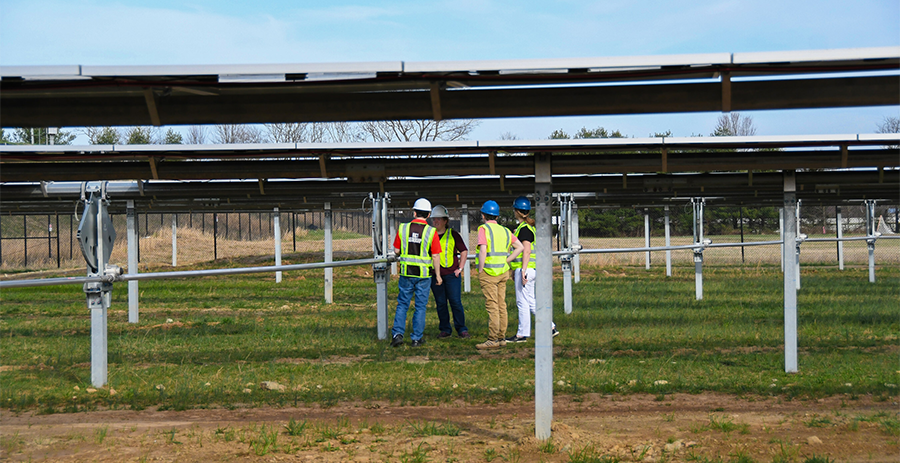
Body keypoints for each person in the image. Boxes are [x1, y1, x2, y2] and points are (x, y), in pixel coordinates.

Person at [391, 198, 442, 348]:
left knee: (402, 305)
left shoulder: (403, 228)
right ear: (428, 214)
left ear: (414, 212)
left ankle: (397, 335)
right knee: (420, 307)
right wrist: (438, 275)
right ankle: (416, 339)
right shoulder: (431, 232)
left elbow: (396, 251)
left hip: (406, 273)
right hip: (424, 276)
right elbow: (436, 255)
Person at [506, 196, 558, 343]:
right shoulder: (527, 228)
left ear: (516, 211)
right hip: (531, 269)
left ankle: (522, 334)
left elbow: (526, 251)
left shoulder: (524, 230)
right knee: (530, 301)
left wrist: (522, 271)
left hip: (525, 270)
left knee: (522, 302)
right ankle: (550, 327)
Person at [475, 200, 524, 350]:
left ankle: (492, 339)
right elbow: (520, 247)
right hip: (503, 272)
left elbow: (483, 250)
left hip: (489, 272)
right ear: (496, 216)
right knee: (501, 305)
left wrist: (480, 269)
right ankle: (502, 337)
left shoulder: (483, 229)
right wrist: (506, 260)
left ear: (483, 215)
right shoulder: (505, 230)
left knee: (492, 306)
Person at [429, 205, 470, 338]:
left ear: (445, 221)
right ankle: (445, 329)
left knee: (455, 302)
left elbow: (464, 251)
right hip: (435, 275)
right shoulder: (429, 235)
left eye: (438, 219)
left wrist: (460, 268)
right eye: (434, 219)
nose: (435, 222)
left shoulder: (453, 234)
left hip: (452, 275)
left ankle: (461, 329)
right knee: (441, 303)